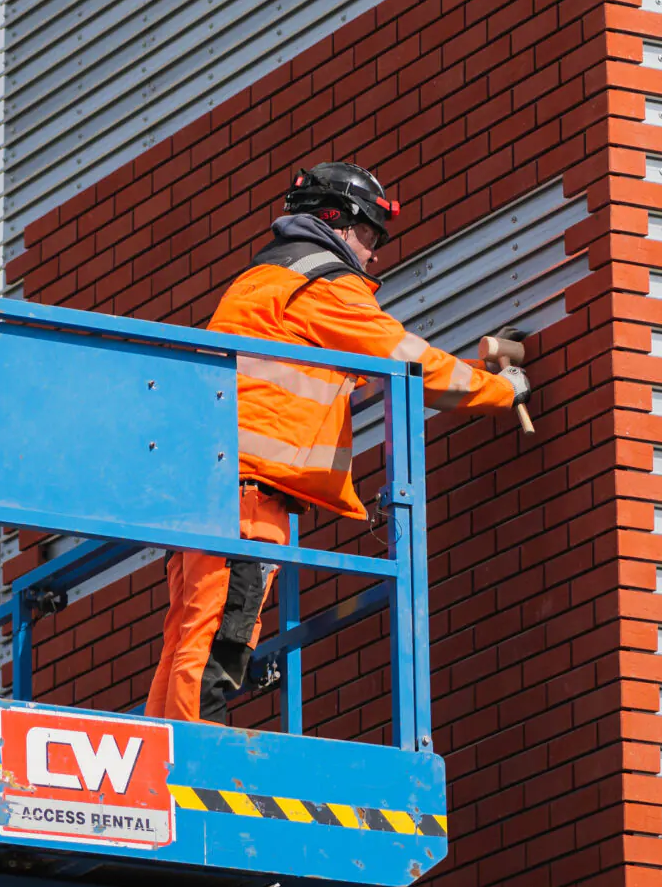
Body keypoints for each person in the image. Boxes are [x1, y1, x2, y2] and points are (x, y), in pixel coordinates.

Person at [145, 162, 528, 723]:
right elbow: (406, 364)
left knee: (187, 636)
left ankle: (161, 761)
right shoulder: (324, 284)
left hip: (212, 490)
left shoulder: (261, 281)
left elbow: (370, 376)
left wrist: (470, 368)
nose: (373, 253)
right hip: (248, 500)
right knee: (217, 645)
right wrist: (501, 389)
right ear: (337, 222)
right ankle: (191, 768)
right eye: (370, 234)